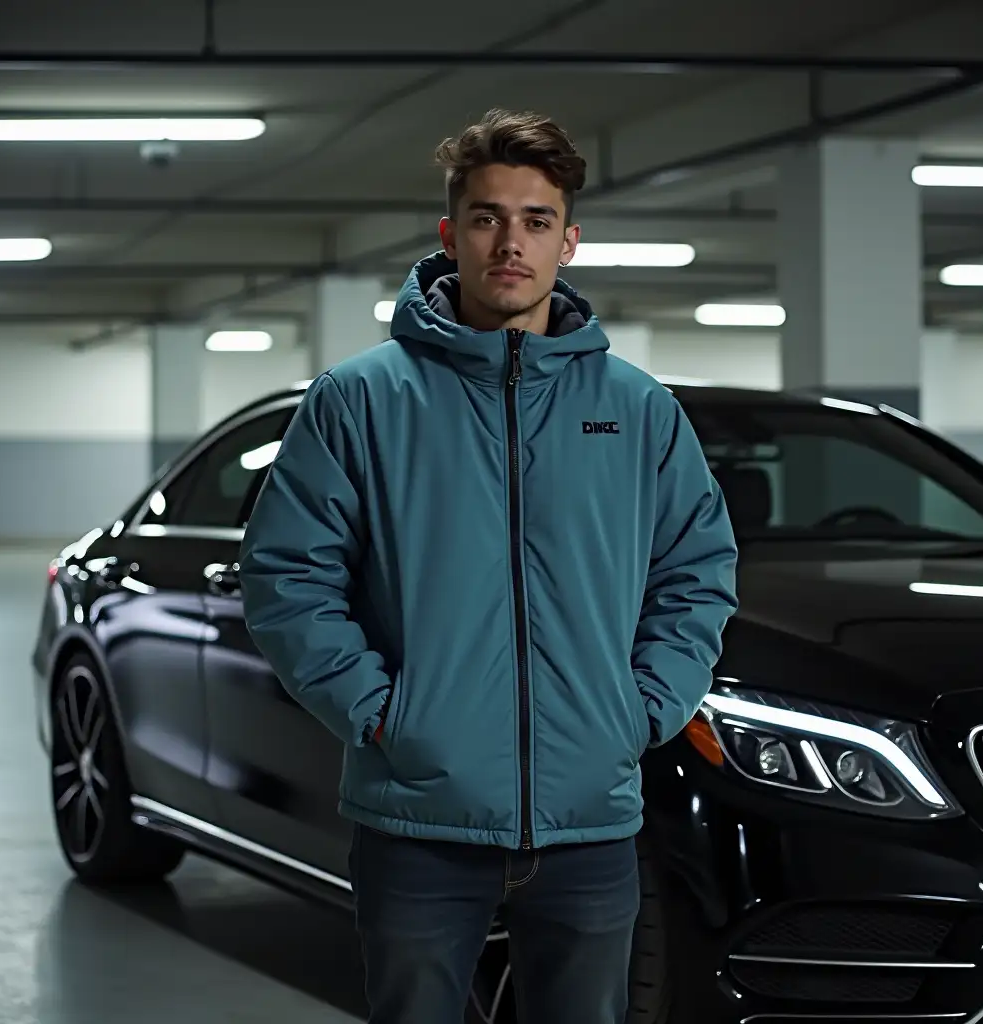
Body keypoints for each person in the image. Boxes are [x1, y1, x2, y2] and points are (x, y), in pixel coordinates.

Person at [239, 108, 739, 1024]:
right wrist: (381, 714)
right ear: (450, 234)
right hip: (418, 815)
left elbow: (696, 570)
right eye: (486, 217)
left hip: (591, 817)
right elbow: (286, 575)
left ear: (569, 240)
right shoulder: (361, 400)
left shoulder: (636, 410)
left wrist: (641, 709)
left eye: (536, 220)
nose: (511, 241)